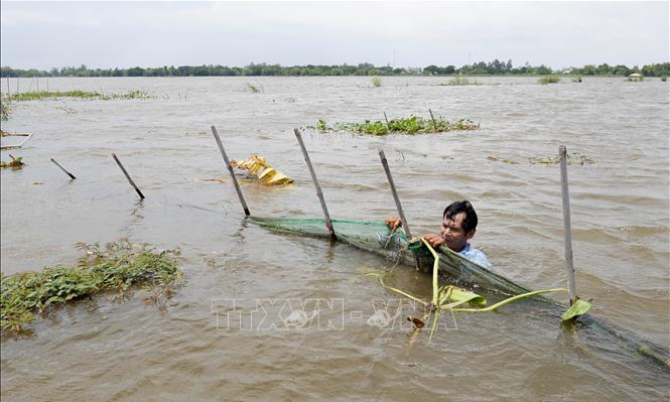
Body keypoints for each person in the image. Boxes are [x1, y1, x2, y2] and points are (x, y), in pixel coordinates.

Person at [385, 200, 491, 268]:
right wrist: (395, 230)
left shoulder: (477, 259)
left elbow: (473, 276)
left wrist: (445, 251)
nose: (446, 233)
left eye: (454, 229)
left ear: (470, 234)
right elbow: (404, 250)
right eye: (444, 226)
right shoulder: (431, 244)